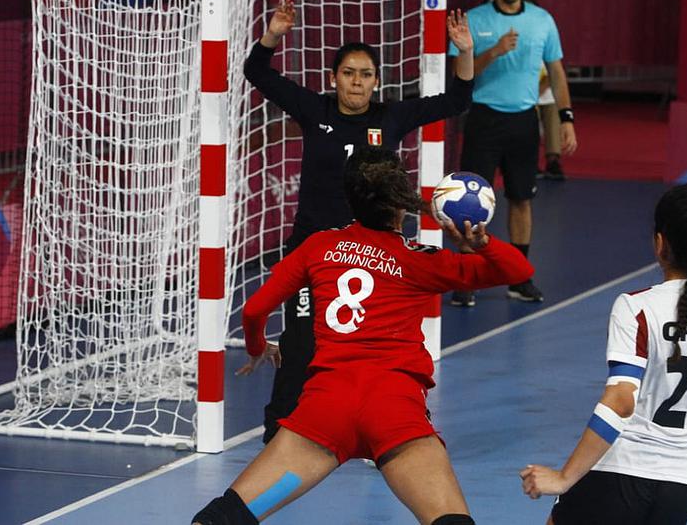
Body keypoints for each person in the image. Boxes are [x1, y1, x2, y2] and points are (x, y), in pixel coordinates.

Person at [192, 147, 534, 525]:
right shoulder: (423, 259)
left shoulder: (319, 245)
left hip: (326, 413)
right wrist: (480, 244)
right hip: (394, 413)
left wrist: (257, 347)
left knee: (226, 517)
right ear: (400, 203)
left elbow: (254, 310)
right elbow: (517, 270)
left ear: (349, 197)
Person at [244, 0, 477, 443]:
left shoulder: (390, 117)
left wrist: (463, 51)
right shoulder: (317, 111)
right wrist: (273, 34)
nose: (357, 81)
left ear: (376, 80)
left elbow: (458, 100)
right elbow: (259, 74)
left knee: (382, 347)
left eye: (365, 74)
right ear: (334, 78)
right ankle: (277, 437)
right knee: (300, 348)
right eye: (349, 73)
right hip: (314, 253)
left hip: (376, 256)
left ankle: (388, 432)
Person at [519, 184, 687, 525]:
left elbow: (621, 400)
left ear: (660, 244)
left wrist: (565, 477)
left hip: (618, 473)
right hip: (681, 489)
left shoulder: (637, 308)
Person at [448, 0, 577, 307]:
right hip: (484, 119)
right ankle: (466, 279)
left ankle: (519, 277)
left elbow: (557, 72)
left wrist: (566, 118)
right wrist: (494, 50)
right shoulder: (474, 20)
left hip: (523, 122)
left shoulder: (542, 21)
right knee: (469, 205)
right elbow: (461, 72)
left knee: (522, 198)